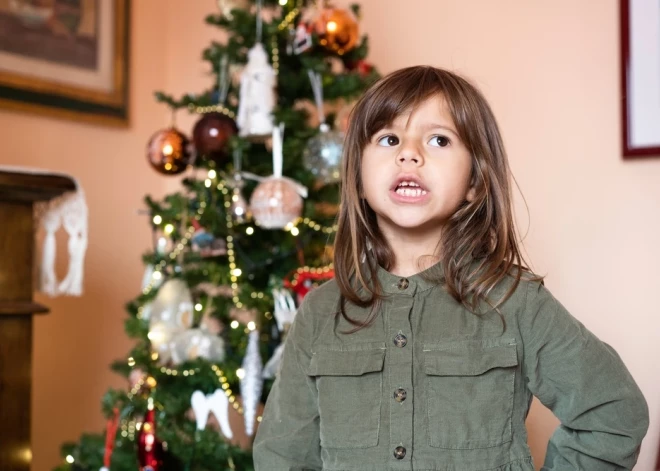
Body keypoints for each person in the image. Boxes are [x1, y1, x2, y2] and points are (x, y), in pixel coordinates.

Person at [252, 66, 649, 470]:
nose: (409, 153)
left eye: (439, 139)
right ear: (356, 176)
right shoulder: (319, 314)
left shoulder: (516, 301)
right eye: (389, 139)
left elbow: (613, 414)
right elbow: (282, 457)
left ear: (475, 181)